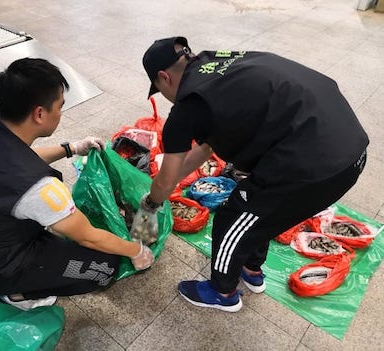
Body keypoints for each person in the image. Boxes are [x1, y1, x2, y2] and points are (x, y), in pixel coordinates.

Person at [136, 36, 369, 312]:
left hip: (315, 162)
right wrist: (168, 183)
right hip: (350, 149)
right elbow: (203, 150)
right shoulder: (218, 62)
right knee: (264, 214)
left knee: (232, 217)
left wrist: (151, 202)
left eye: (159, 89)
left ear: (164, 77)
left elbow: (166, 176)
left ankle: (222, 292)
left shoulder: (188, 106)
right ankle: (251, 269)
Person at [0, 58, 154, 310]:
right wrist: (135, 250)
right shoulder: (40, 188)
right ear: (40, 113)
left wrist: (71, 148)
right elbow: (89, 237)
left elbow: (14, 161)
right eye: (60, 106)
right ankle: (14, 294)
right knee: (105, 265)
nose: (61, 113)